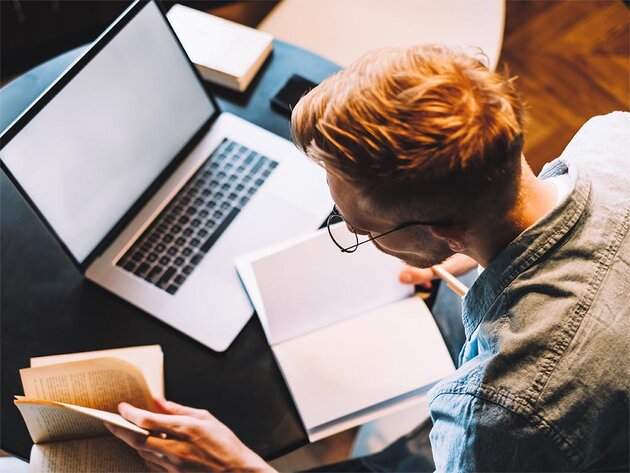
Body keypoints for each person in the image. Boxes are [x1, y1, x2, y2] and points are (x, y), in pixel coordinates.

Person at [106, 45, 629, 472]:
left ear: (447, 230)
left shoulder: (499, 412)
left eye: (362, 229)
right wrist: (470, 252)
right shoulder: (612, 135)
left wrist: (235, 468)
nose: (355, 234)